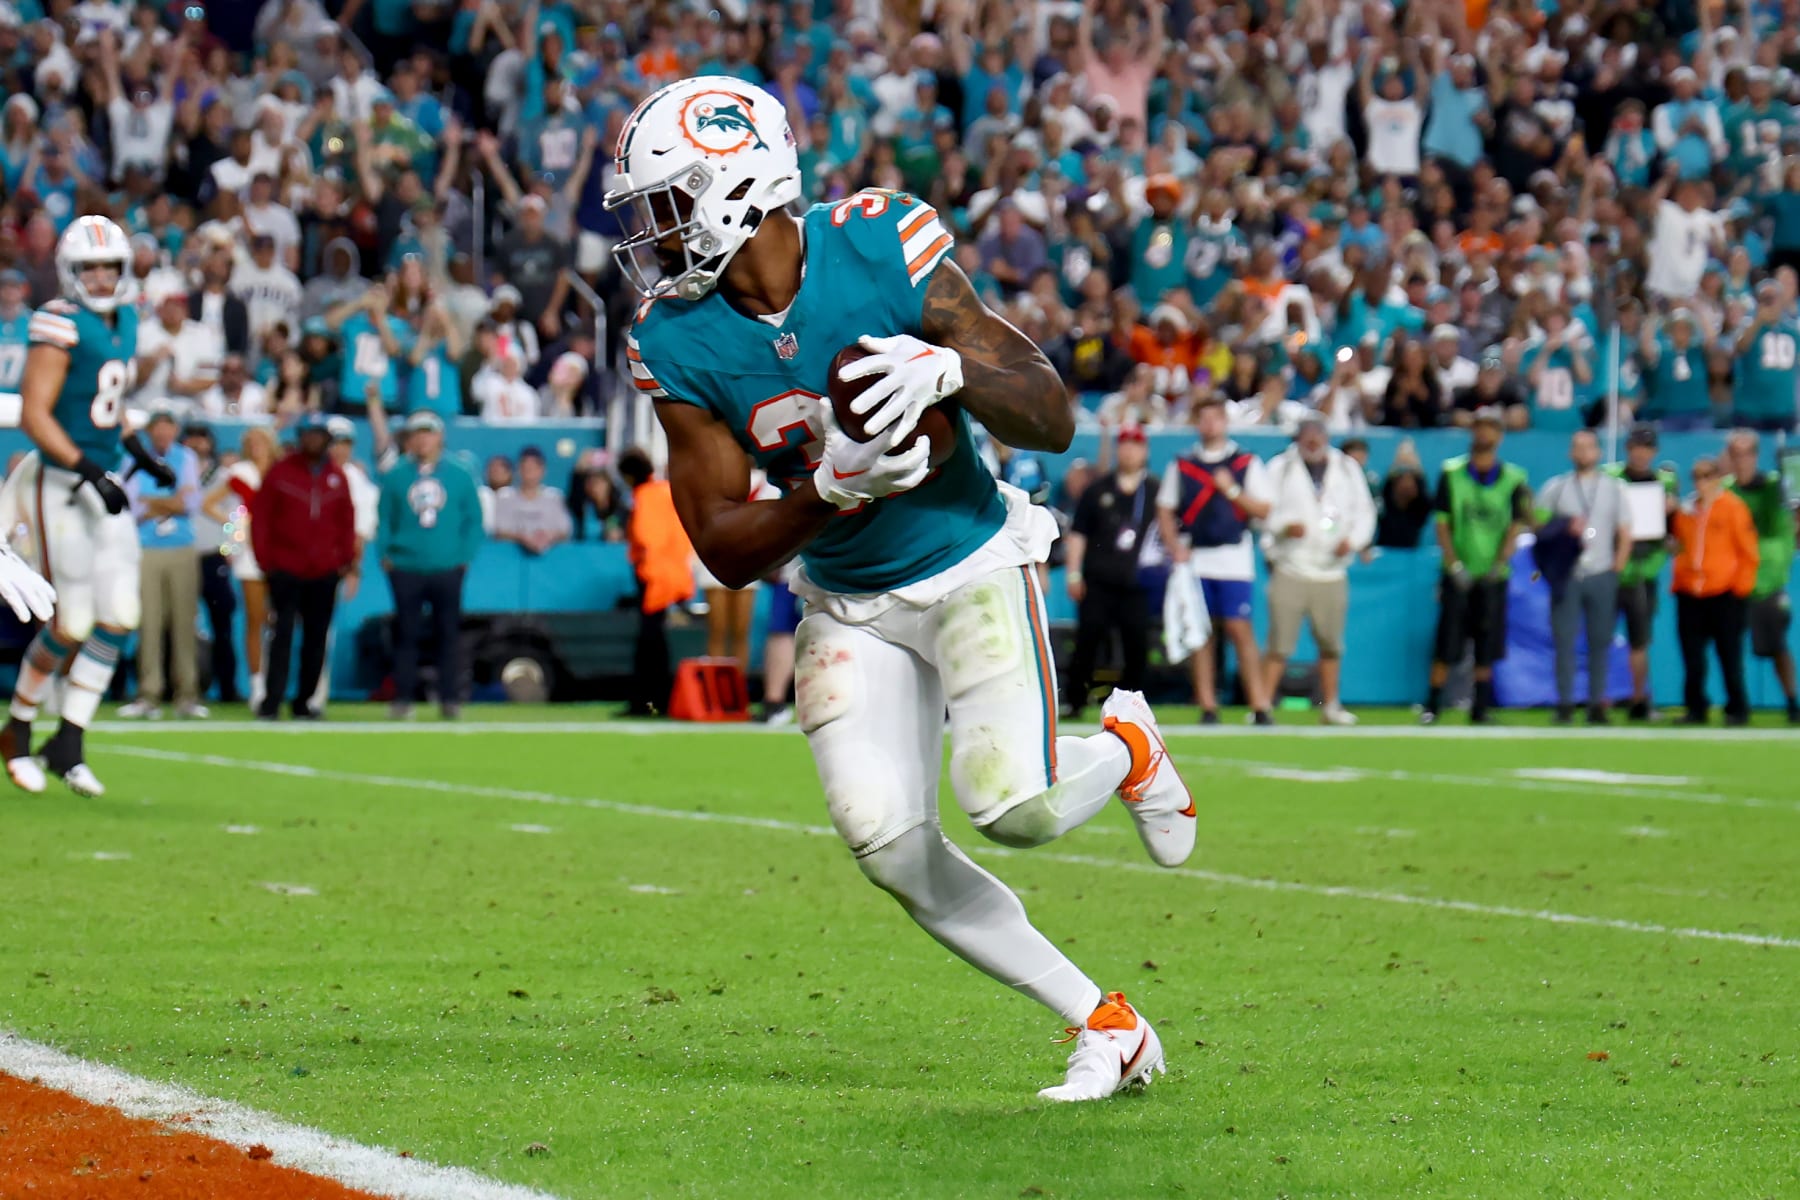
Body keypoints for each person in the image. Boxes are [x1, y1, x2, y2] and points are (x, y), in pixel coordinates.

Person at [615, 77, 1187, 1101]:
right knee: (888, 844)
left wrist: (951, 372)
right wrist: (826, 491)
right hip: (844, 599)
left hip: (967, 561)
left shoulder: (881, 242)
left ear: (736, 188)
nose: (652, 238)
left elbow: (1052, 415)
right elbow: (723, 547)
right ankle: (1108, 1023)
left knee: (1013, 808)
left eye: (666, 207)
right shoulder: (672, 336)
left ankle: (1128, 744)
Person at [1, 216, 169, 796]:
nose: (101, 278)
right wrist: (90, 468)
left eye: (109, 267)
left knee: (121, 613)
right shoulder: (59, 321)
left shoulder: (125, 319)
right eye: (90, 268)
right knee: (69, 620)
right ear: (72, 272)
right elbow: (36, 414)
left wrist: (137, 453)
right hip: (59, 481)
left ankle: (68, 739)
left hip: (101, 479)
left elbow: (107, 404)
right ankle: (18, 730)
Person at [1155, 397, 1275, 724]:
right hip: (1197, 557)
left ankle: (1259, 704)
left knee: (1240, 629)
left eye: (1215, 418)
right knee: (1200, 633)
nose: (1209, 425)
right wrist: (1172, 546)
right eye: (1203, 418)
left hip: (1234, 556)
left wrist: (1232, 491)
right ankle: (1207, 704)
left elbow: (1264, 509)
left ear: (1225, 422)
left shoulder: (1245, 463)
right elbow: (1165, 508)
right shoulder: (1182, 464)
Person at [1260, 414, 1377, 725]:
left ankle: (1331, 706)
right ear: (1298, 438)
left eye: (1318, 435)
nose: (1312, 441)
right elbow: (1261, 512)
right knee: (1279, 643)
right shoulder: (1280, 467)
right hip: (1291, 565)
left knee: (1330, 643)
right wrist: (1283, 528)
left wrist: (1352, 541)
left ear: (1327, 437)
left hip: (1331, 569)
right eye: (1307, 435)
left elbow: (1365, 512)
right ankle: (1263, 706)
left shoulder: (1347, 468)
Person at [1423, 409, 1531, 725]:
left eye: (1491, 428)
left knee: (1487, 642)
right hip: (1459, 571)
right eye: (1480, 427)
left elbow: (1516, 525)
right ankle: (1433, 704)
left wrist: (1500, 563)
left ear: (1499, 436)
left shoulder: (1514, 478)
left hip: (1493, 573)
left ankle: (1480, 706)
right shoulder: (1452, 473)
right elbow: (1442, 523)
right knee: (1447, 642)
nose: (1485, 434)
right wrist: (1454, 563)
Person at [250, 414, 357, 720]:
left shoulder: (337, 476)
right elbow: (262, 518)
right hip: (286, 567)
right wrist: (266, 560)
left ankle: (305, 701)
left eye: (319, 435)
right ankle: (272, 700)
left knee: (316, 639)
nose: (313, 441)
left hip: (324, 571)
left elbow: (346, 521)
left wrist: (344, 560)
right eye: (308, 434)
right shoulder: (281, 473)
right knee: (280, 636)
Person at [378, 411, 482, 719]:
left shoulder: (460, 474)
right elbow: (385, 517)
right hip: (406, 565)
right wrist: (386, 555)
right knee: (406, 634)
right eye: (417, 434)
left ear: (439, 436)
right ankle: (403, 698)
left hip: (446, 566)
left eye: (428, 433)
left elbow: (473, 520)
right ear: (409, 439)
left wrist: (464, 556)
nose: (423, 440)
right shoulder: (396, 475)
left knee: (448, 633)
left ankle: (449, 697)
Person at [1535, 430, 1632, 724]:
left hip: (1601, 571)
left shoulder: (1614, 488)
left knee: (1600, 641)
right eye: (1577, 447)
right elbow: (1539, 528)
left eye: (1588, 447)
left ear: (1598, 453)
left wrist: (1617, 566)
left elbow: (1625, 529)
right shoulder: (1557, 488)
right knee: (1564, 641)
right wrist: (1564, 527)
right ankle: (1565, 703)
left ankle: (1596, 704)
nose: (1583, 453)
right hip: (1568, 575)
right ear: (1570, 453)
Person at [1062, 424, 1156, 720]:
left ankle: (1132, 706)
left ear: (1145, 451)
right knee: (1088, 640)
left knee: (1137, 645)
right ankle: (1076, 700)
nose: (1129, 451)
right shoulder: (1098, 489)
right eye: (1124, 445)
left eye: (1135, 445)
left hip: (1137, 581)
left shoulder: (1154, 490)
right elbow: (1079, 534)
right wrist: (1074, 573)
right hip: (1099, 580)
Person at [118, 409, 206, 720]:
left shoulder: (187, 458)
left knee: (184, 623)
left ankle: (187, 695)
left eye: (168, 427)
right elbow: (130, 504)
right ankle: (148, 694)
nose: (163, 433)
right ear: (150, 430)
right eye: (158, 427)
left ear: (175, 430)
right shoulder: (135, 459)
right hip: (146, 547)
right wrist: (169, 502)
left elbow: (190, 503)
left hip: (181, 545)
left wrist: (153, 502)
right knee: (150, 623)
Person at [1671, 458, 1759, 725]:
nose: (1701, 482)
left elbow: (1748, 552)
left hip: (1724, 593)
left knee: (1730, 656)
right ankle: (1696, 708)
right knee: (1692, 658)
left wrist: (1739, 588)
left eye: (1707, 476)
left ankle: (1738, 708)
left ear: (1719, 478)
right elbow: (1679, 545)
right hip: (1690, 593)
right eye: (1697, 476)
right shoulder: (1687, 510)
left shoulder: (1733, 508)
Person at [1724, 431, 1799, 722]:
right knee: (1732, 650)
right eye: (1736, 454)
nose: (1742, 460)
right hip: (1734, 583)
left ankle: (1792, 700)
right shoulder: (1726, 491)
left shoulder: (1775, 489)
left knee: (1777, 646)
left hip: (1767, 581)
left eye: (1747, 454)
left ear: (1755, 456)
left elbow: (1784, 531)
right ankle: (1739, 705)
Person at [1606, 425, 1680, 720]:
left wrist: (1670, 512)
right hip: (1611, 568)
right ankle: (1599, 698)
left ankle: (1638, 700)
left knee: (1639, 640)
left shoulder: (1664, 483)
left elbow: (1673, 534)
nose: (1640, 453)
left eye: (1645, 447)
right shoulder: (1610, 478)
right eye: (1635, 446)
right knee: (1600, 638)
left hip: (1644, 569)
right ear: (1627, 449)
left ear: (1653, 452)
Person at [203, 426, 278, 712]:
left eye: (262, 441)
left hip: (280, 549)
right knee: (255, 619)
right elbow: (209, 504)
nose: (257, 446)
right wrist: (235, 525)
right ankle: (257, 685)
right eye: (252, 442)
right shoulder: (241, 473)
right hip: (249, 551)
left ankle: (275, 681)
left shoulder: (280, 470)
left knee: (278, 620)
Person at [618, 447, 695, 718]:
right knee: (657, 641)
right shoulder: (665, 491)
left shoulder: (644, 497)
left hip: (653, 578)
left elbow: (645, 537)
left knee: (649, 642)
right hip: (672, 574)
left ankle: (644, 702)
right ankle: (658, 700)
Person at [492, 446, 573, 555]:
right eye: (525, 468)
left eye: (533, 468)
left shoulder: (555, 497)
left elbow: (565, 530)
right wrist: (522, 538)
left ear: (543, 470)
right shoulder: (504, 496)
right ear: (519, 470)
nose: (529, 473)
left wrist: (549, 536)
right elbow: (498, 530)